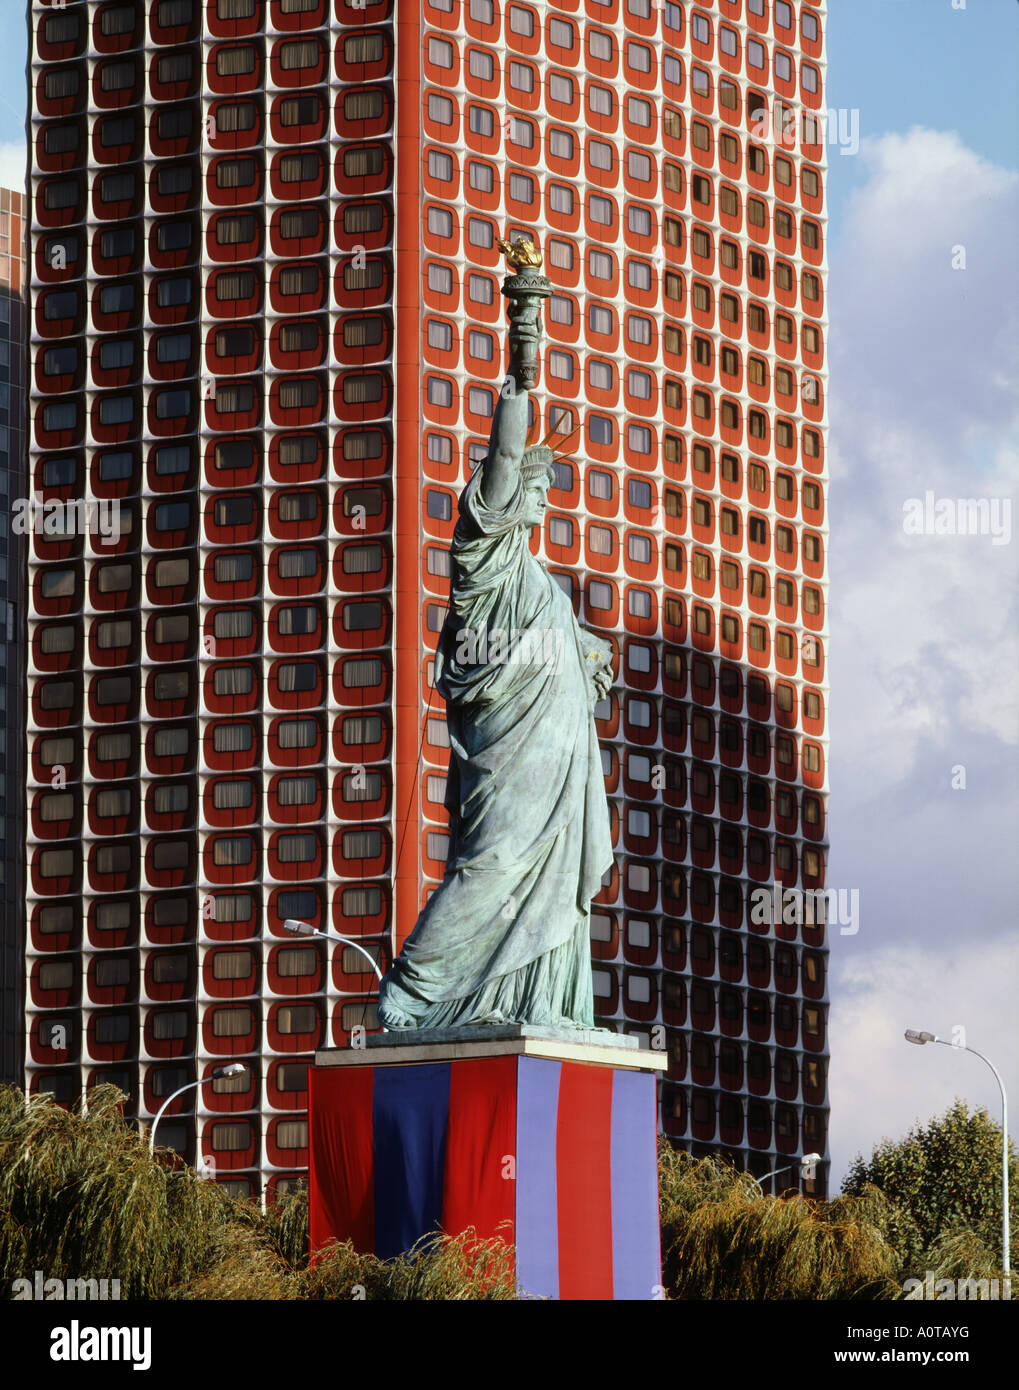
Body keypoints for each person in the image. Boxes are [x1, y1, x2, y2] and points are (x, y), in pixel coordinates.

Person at [377, 314, 614, 1031]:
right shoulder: (485, 557)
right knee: (493, 864)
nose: (539, 502)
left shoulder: (540, 581)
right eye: (529, 492)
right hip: (508, 754)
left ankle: (535, 1000)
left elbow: (571, 655)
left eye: (538, 493)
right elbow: (506, 458)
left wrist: (588, 659)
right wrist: (522, 367)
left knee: (538, 874)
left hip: (558, 762)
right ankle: (414, 990)